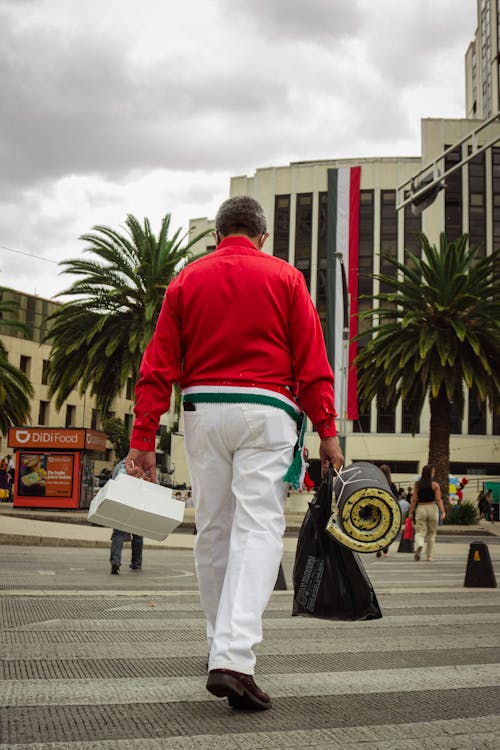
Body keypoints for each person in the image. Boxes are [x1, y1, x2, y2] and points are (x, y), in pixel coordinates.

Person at [125, 195, 344, 711]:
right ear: (262, 236)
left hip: (202, 411)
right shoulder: (286, 278)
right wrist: (328, 431)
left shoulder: (186, 280)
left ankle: (217, 643)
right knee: (258, 527)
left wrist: (142, 440)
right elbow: (312, 360)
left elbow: (156, 365)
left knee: (214, 530)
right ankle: (233, 655)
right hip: (266, 411)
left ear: (218, 236)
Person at [108, 460, 144, 574]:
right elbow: (154, 483)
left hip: (122, 503)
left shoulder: (120, 466)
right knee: (138, 535)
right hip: (138, 503)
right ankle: (136, 563)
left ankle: (115, 561)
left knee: (118, 534)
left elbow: (113, 482)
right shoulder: (144, 466)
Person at [408, 464, 446, 562]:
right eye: (433, 472)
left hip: (421, 508)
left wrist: (411, 512)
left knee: (420, 531)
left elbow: (414, 499)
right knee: (432, 533)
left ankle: (420, 545)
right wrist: (443, 511)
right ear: (430, 473)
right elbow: (438, 499)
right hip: (432, 508)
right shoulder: (435, 485)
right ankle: (429, 556)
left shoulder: (417, 484)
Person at [376, 464, 398, 558]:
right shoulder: (392, 485)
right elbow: (396, 497)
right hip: (389, 509)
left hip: (378, 508)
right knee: (387, 530)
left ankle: (377, 548)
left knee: (378, 529)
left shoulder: (377, 483)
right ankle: (385, 551)